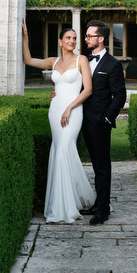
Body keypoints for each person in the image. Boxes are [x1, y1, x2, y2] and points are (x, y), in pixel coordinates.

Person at [22, 19, 95, 223]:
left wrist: (70, 107)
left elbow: (88, 89)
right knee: (60, 151)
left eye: (74, 38)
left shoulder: (82, 60)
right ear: (60, 41)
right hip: (55, 111)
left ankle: (66, 207)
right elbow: (27, 60)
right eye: (68, 38)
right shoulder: (53, 61)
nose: (72, 41)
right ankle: (62, 202)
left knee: (64, 149)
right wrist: (25, 36)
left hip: (73, 111)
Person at [81, 20, 127, 225]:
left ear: (100, 38)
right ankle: (99, 203)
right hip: (83, 121)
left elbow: (120, 95)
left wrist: (108, 118)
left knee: (102, 166)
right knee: (94, 164)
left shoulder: (112, 64)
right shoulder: (84, 60)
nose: (86, 39)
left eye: (89, 36)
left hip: (100, 122)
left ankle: (103, 210)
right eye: (86, 35)